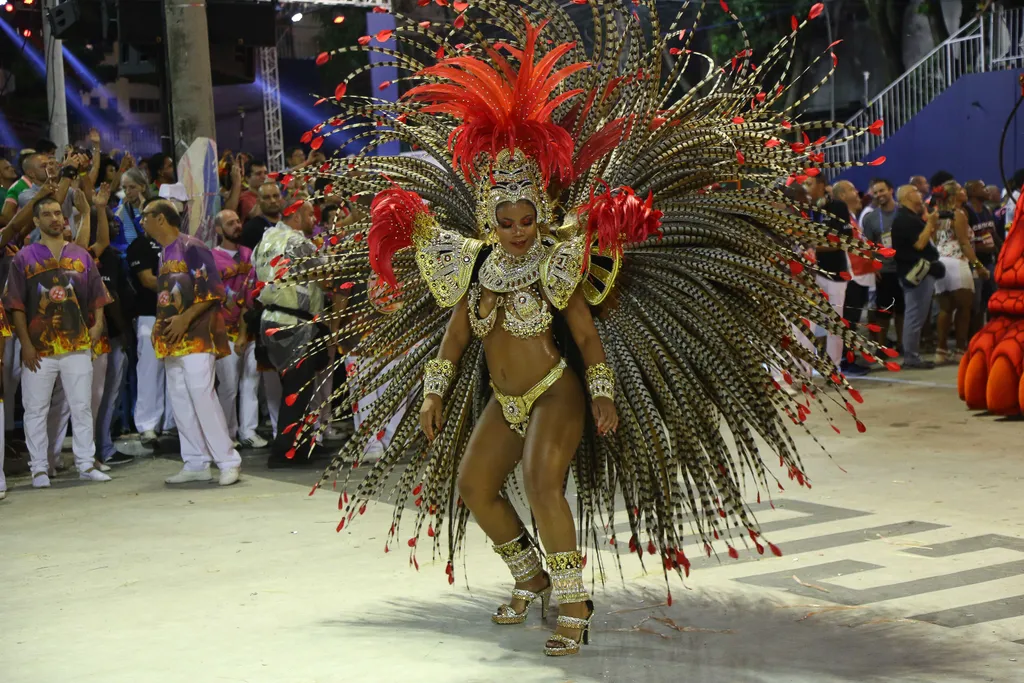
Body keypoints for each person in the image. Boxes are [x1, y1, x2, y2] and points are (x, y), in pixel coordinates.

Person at [292, 10, 887, 658]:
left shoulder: (557, 259)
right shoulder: (474, 264)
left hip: (555, 390)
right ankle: (533, 575)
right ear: (490, 217)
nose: (518, 228)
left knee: (543, 484)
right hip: (507, 400)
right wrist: (435, 393)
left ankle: (575, 602)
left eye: (527, 217)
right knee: (473, 486)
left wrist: (601, 393)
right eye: (507, 218)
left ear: (541, 212)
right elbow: (456, 339)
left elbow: (586, 333)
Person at [3, 196, 113, 486]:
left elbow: (98, 293)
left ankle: (86, 464)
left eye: (58, 213)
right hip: (38, 347)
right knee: (35, 408)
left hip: (77, 343)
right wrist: (25, 343)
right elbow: (15, 305)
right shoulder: (23, 257)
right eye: (47, 214)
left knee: (81, 406)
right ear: (36, 222)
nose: (55, 218)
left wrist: (98, 324)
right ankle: (39, 468)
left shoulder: (80, 254)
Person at [140, 199, 241, 485]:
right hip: (173, 338)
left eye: (145, 217)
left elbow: (213, 292)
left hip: (197, 335)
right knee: (180, 400)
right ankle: (195, 461)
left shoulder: (192, 246)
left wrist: (184, 320)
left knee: (202, 396)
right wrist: (160, 326)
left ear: (160, 218)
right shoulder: (163, 253)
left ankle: (227, 460)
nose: (142, 223)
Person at [251, 200, 336, 467]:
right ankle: (284, 452)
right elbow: (327, 278)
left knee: (297, 386)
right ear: (296, 216)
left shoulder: (265, 240)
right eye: (310, 214)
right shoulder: (298, 242)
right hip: (294, 323)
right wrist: (333, 255)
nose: (314, 219)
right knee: (298, 389)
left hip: (270, 319)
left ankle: (302, 443)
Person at [211, 209, 267, 449]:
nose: (236, 226)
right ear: (218, 230)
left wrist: (245, 333)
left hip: (249, 327)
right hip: (223, 331)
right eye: (230, 223)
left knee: (250, 382)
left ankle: (249, 431)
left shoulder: (249, 255)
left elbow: (250, 296)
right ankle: (227, 434)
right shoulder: (211, 258)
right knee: (229, 386)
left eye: (237, 221)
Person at [126, 219, 176, 449]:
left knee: (174, 369)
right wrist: (180, 288)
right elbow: (146, 280)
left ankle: (171, 423)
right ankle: (147, 425)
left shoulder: (177, 244)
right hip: (150, 314)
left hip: (177, 315)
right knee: (149, 370)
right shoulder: (140, 245)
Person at [931, 181, 989, 363]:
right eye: (961, 189)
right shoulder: (959, 214)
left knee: (945, 308)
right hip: (957, 262)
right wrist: (979, 266)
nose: (964, 191)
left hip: (940, 262)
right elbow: (964, 243)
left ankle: (940, 350)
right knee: (965, 308)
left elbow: (933, 239)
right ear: (955, 195)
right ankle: (959, 350)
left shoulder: (935, 214)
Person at [804, 174, 852, 371]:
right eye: (803, 183)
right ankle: (805, 370)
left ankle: (834, 368)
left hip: (833, 273)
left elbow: (843, 240)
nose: (806, 187)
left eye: (810, 183)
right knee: (807, 325)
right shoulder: (802, 208)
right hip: (809, 274)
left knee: (835, 324)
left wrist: (812, 247)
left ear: (822, 185)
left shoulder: (837, 207)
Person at [891, 185, 942, 369]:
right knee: (914, 316)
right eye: (916, 192)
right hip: (916, 274)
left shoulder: (909, 218)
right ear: (907, 196)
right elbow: (920, 244)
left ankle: (912, 355)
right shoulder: (905, 219)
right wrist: (930, 223)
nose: (920, 195)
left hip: (917, 273)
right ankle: (911, 357)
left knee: (917, 315)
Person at [832, 180, 873, 376]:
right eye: (851, 190)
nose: (857, 192)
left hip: (861, 275)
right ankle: (845, 361)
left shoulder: (852, 217)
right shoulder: (841, 220)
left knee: (853, 322)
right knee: (848, 321)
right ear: (841, 196)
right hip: (852, 276)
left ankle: (849, 358)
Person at [861, 178, 903, 349]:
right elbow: (868, 245)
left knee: (902, 310)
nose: (879, 195)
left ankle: (902, 344)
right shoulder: (870, 218)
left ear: (891, 190)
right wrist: (872, 265)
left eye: (882, 190)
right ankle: (882, 347)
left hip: (903, 268)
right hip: (884, 270)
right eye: (876, 192)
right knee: (883, 311)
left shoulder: (903, 212)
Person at [965, 180, 1000, 333]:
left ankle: (991, 333)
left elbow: (994, 235)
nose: (987, 190)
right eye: (983, 187)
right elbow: (964, 242)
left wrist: (1003, 248)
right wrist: (983, 248)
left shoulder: (986, 210)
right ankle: (973, 337)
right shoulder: (965, 212)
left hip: (989, 261)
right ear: (972, 191)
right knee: (976, 304)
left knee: (991, 301)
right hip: (973, 263)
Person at [240, 179, 283, 251]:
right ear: (258, 201)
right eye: (267, 197)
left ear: (281, 198)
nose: (273, 201)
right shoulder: (250, 229)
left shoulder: (291, 222)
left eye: (276, 196)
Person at [113, 167, 148, 251]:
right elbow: (112, 243)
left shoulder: (155, 209)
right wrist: (130, 249)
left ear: (143, 187)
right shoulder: (117, 213)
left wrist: (142, 215)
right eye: (124, 188)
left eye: (132, 187)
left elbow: (155, 239)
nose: (127, 192)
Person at [237, 159, 269, 224]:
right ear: (247, 178)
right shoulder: (244, 198)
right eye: (258, 174)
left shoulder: (271, 195)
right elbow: (255, 218)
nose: (264, 177)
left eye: (265, 173)